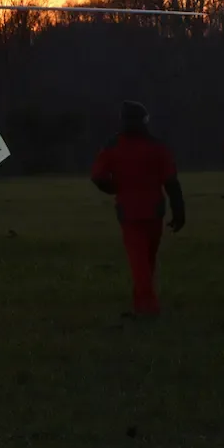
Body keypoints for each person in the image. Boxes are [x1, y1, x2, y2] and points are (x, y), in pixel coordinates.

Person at [90, 100, 186, 318]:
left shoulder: (114, 145)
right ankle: (144, 305)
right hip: (154, 211)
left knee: (139, 261)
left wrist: (113, 188)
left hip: (129, 212)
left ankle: (146, 307)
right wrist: (179, 211)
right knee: (148, 260)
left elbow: (97, 176)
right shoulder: (157, 147)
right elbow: (171, 182)